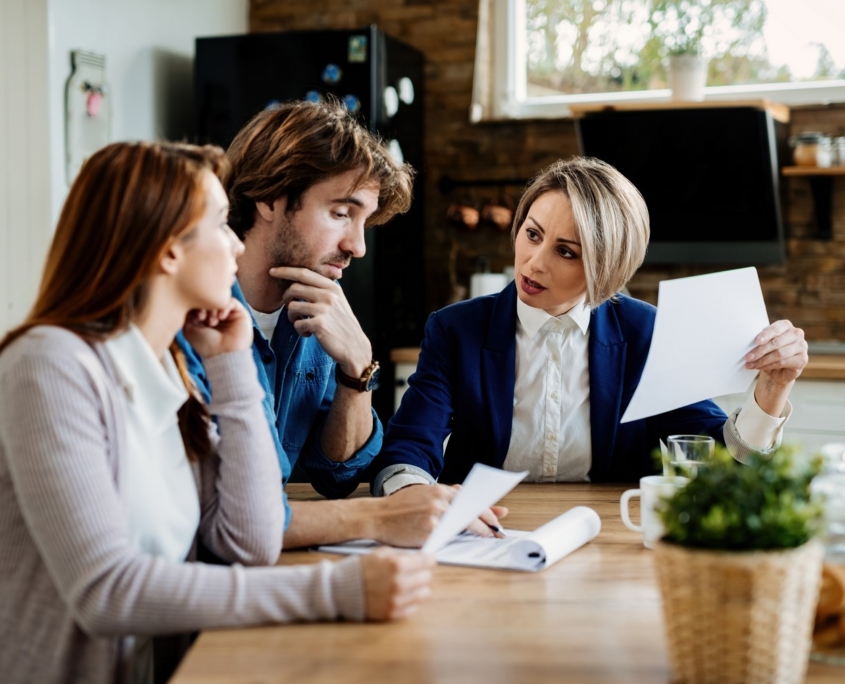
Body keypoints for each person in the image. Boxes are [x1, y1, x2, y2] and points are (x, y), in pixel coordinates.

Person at [0, 141, 434, 683]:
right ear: (167, 250)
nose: (235, 244)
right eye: (221, 223)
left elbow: (248, 538)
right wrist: (334, 590)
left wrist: (231, 362)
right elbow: (105, 593)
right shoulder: (51, 365)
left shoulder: (171, 366)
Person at [368, 157, 807, 491]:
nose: (533, 263)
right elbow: (407, 449)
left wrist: (770, 394)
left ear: (606, 267)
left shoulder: (645, 333)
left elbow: (722, 459)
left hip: (609, 538)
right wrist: (414, 497)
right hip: (484, 534)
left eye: (566, 251)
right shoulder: (454, 329)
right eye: (533, 234)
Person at [182, 100, 504, 548]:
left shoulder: (318, 312)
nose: (357, 246)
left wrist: (359, 369)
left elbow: (337, 473)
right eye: (340, 213)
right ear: (270, 198)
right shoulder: (191, 319)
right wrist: (383, 514)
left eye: (364, 222)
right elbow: (233, 503)